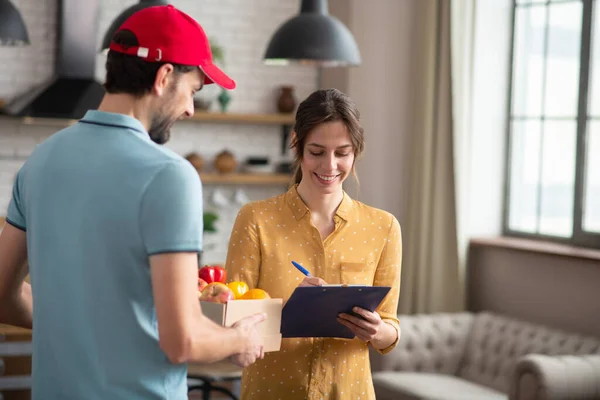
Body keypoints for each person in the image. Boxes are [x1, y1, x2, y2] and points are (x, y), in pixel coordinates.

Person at [0, 5, 266, 400]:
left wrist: (74, 323)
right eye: (192, 91)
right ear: (164, 77)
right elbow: (184, 340)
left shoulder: (40, 161)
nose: (190, 108)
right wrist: (239, 341)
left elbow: (2, 296)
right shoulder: (169, 176)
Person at [225, 88, 403, 399]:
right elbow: (235, 323)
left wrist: (376, 330)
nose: (330, 166)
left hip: (348, 391)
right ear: (297, 144)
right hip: (272, 390)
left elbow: (389, 330)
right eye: (317, 152)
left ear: (356, 151)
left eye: (342, 153)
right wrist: (296, 310)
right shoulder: (255, 219)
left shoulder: (384, 227)